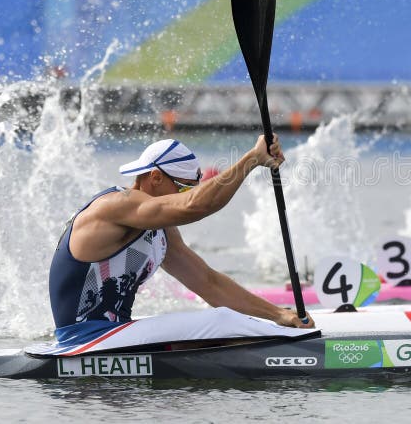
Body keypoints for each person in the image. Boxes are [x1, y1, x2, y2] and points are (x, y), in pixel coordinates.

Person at [49, 136, 314, 348]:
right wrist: (252, 159)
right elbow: (194, 206)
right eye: (185, 187)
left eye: (193, 187)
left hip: (116, 336)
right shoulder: (115, 207)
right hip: (83, 340)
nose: (187, 194)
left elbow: (209, 284)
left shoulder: (161, 231)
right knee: (220, 321)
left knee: (221, 319)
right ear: (155, 178)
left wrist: (281, 315)